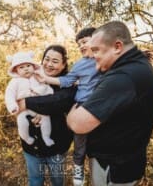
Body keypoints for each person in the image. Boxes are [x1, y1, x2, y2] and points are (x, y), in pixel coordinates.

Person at [67, 21, 153, 186]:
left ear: (117, 46)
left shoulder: (123, 77)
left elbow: (78, 124)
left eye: (96, 50)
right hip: (118, 157)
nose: (92, 55)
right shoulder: (135, 65)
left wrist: (72, 112)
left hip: (115, 167)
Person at [36, 27, 101, 186]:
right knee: (79, 140)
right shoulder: (80, 65)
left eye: (84, 41)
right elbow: (66, 80)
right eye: (79, 44)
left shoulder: (107, 59)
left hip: (100, 105)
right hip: (82, 105)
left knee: (98, 141)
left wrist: (138, 56)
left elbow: (122, 59)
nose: (81, 46)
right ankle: (78, 166)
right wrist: (45, 79)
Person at [17, 45, 76, 186]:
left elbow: (56, 102)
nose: (49, 64)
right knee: (35, 180)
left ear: (63, 65)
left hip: (56, 147)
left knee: (57, 180)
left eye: (55, 61)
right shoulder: (30, 77)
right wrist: (29, 112)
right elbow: (15, 101)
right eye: (47, 59)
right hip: (32, 147)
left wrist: (27, 102)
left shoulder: (68, 84)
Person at [5, 51, 55, 147]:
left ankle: (46, 137)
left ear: (33, 66)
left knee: (46, 119)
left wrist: (49, 93)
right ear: (16, 70)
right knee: (21, 122)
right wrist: (13, 106)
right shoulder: (14, 82)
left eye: (28, 65)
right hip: (23, 109)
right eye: (21, 67)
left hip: (39, 107)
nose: (26, 69)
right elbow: (9, 95)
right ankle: (26, 137)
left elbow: (46, 88)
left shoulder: (37, 77)